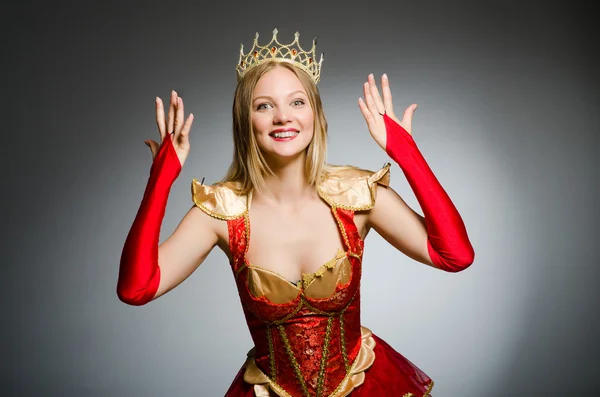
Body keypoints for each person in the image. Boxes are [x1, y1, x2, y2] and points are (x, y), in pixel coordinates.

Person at [117, 29, 474, 397]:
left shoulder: (356, 196)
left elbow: (456, 255)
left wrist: (406, 152)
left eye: (297, 102)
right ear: (246, 122)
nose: (282, 117)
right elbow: (135, 289)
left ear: (316, 114)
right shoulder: (222, 212)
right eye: (264, 105)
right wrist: (161, 179)